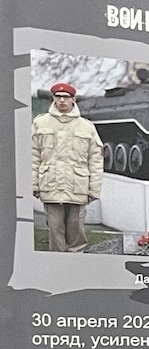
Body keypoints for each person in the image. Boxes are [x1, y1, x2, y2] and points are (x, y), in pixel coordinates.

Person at [32, 82, 103, 253]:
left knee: (76, 230)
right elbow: (33, 156)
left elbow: (96, 160)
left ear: (73, 99)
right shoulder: (40, 123)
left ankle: (75, 262)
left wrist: (94, 189)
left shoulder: (86, 127)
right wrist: (34, 185)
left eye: (66, 97)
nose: (62, 100)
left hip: (77, 187)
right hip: (50, 185)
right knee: (55, 229)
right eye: (58, 97)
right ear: (53, 99)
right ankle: (57, 264)